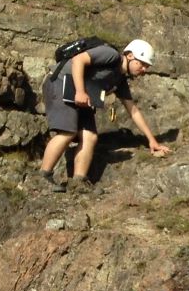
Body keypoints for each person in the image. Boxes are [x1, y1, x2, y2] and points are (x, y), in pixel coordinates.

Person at [37, 38, 169, 191]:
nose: (144, 69)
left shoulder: (119, 81)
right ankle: (44, 177)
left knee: (90, 137)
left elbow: (133, 110)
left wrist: (152, 141)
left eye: (147, 66)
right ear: (131, 56)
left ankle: (78, 182)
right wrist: (80, 91)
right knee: (67, 132)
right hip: (60, 82)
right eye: (142, 63)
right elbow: (78, 60)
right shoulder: (110, 54)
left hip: (81, 94)